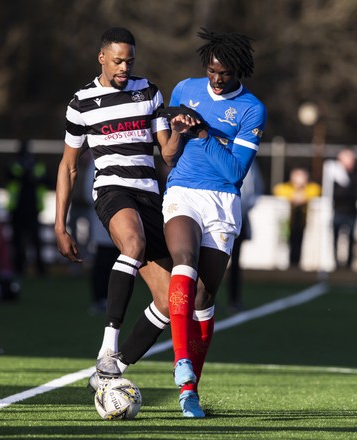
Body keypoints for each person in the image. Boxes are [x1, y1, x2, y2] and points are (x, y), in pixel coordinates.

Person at [54, 28, 197, 393]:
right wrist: (60, 225)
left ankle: (112, 369)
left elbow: (166, 153)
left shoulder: (148, 91)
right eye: (117, 60)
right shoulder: (81, 102)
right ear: (101, 57)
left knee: (172, 300)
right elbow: (69, 167)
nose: (124, 67)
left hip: (150, 195)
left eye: (129, 61)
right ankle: (107, 347)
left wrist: (178, 132)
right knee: (131, 244)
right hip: (112, 192)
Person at [160, 29, 267, 417]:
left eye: (223, 73)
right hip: (183, 191)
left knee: (204, 298)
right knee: (183, 260)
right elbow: (170, 157)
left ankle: (191, 392)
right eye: (211, 71)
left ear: (238, 69)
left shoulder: (253, 109)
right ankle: (181, 364)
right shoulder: (185, 88)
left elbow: (235, 172)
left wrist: (204, 133)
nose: (216, 80)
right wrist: (176, 131)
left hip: (222, 202)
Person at [6, 140, 48, 276]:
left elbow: (46, 179)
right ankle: (21, 268)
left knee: (33, 241)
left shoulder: (33, 165)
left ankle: (37, 269)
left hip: (29, 209)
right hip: (20, 209)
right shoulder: (17, 165)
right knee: (20, 242)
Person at [227, 160, 263, 313]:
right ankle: (200, 301)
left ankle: (234, 300)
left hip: (238, 218)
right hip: (216, 216)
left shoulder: (249, 161)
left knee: (235, 262)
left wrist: (241, 209)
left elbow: (256, 189)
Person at [273, 168, 321, 267]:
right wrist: (293, 195)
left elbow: (317, 190)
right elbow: (278, 190)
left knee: (300, 244)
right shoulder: (287, 187)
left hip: (303, 222)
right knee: (288, 243)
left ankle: (296, 266)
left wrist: (303, 196)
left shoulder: (310, 188)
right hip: (288, 223)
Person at [323, 148, 357, 269]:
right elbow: (332, 192)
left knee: (350, 237)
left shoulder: (353, 174)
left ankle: (348, 264)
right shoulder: (334, 173)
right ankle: (336, 264)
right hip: (338, 211)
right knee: (335, 236)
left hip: (351, 212)